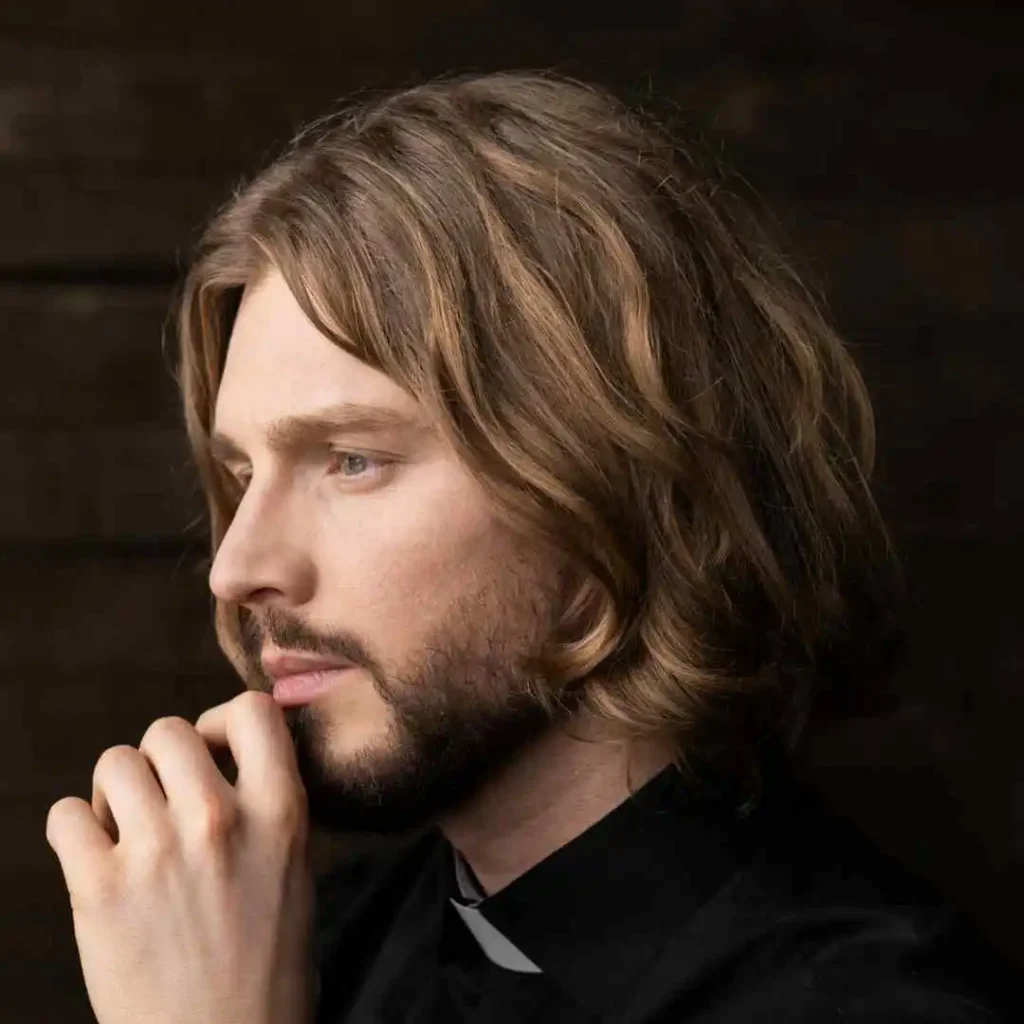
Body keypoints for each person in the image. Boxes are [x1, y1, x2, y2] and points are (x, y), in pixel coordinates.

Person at [47, 70, 1020, 1024]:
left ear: (611, 489)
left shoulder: (860, 1002)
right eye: (242, 475)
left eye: (349, 459)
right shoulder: (288, 943)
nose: (237, 566)